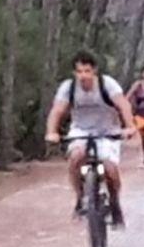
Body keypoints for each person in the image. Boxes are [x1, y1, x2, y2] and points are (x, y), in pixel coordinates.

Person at [44, 50, 138, 226]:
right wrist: (52, 132)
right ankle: (80, 197)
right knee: (76, 158)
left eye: (87, 71)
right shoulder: (69, 88)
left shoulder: (107, 84)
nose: (83, 76)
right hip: (80, 131)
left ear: (94, 71)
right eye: (79, 71)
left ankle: (115, 202)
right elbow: (57, 111)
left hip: (107, 132)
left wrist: (129, 126)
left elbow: (123, 105)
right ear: (74, 72)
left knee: (110, 168)